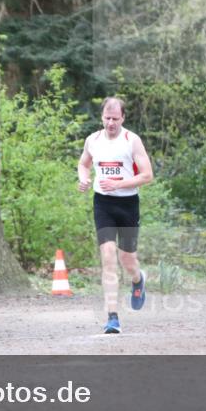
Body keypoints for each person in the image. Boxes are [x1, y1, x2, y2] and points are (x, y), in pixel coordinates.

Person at [78, 97, 154, 334]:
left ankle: (137, 279)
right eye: (107, 118)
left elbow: (147, 175)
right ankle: (112, 316)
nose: (110, 123)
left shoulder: (132, 141)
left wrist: (120, 183)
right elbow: (83, 164)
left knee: (127, 260)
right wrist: (83, 178)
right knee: (108, 256)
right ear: (102, 117)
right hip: (103, 204)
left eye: (115, 119)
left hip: (128, 204)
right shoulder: (93, 140)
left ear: (123, 118)